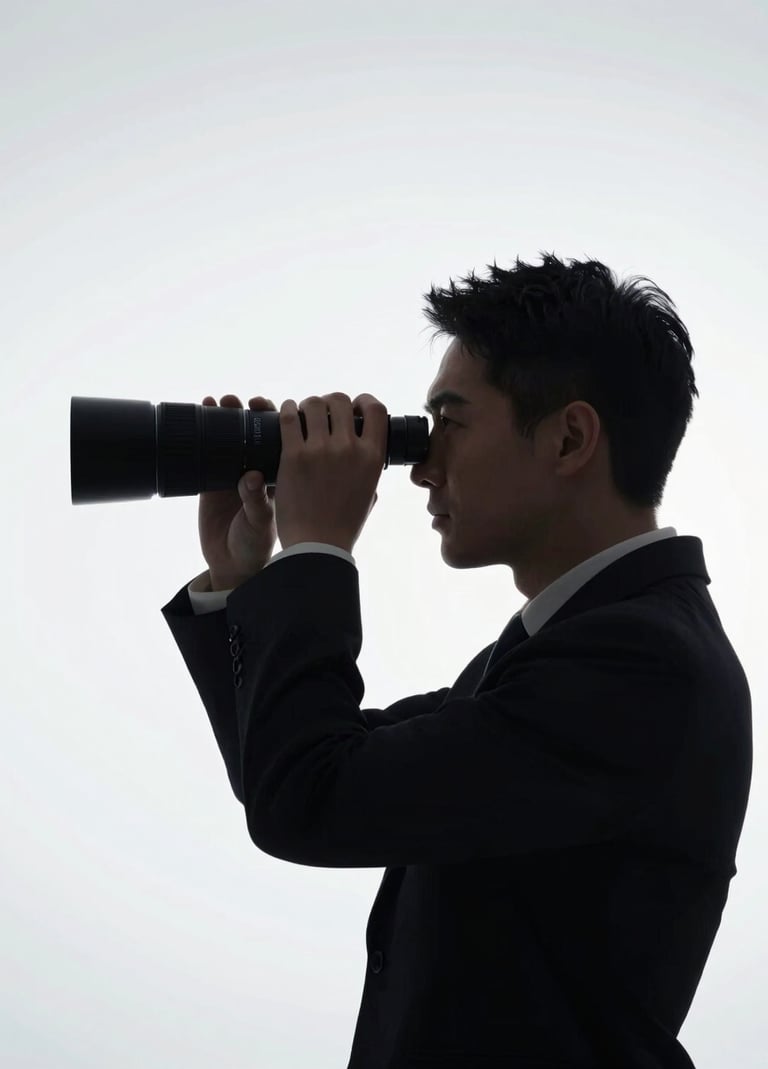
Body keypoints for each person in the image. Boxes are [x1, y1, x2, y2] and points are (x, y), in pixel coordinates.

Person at [160, 252, 752, 1069]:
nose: (422, 468)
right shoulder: (569, 649)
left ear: (570, 437)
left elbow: (309, 796)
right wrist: (242, 579)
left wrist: (319, 549)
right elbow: (302, 765)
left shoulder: (642, 665)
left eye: (449, 423)